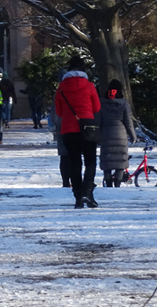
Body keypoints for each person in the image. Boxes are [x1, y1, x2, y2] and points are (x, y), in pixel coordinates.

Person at [54, 55, 101, 208]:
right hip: (87, 129)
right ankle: (88, 192)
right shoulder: (89, 86)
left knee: (74, 164)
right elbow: (97, 108)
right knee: (91, 161)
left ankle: (78, 198)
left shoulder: (61, 87)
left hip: (68, 129)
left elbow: (59, 111)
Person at [97, 80, 136, 187]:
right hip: (120, 135)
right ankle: (117, 184)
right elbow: (128, 122)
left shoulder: (102, 103)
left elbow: (98, 120)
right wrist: (133, 136)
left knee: (107, 161)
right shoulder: (123, 103)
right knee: (120, 162)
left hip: (106, 134)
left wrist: (97, 135)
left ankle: (108, 183)